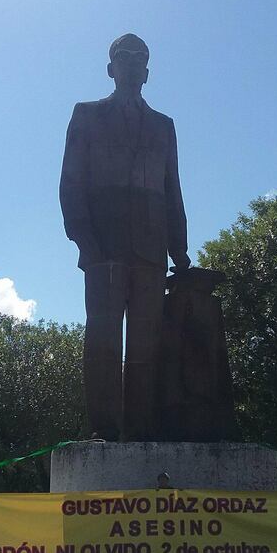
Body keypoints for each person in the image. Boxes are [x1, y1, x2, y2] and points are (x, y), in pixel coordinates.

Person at [60, 33, 190, 442]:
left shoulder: (163, 126)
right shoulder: (87, 115)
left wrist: (179, 250)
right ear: (110, 68)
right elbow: (70, 183)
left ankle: (141, 427)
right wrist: (87, 243)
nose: (132, 63)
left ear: (147, 72)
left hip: (151, 251)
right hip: (103, 250)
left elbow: (172, 188)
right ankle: (103, 427)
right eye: (123, 56)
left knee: (146, 345)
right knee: (102, 339)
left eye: (139, 59)